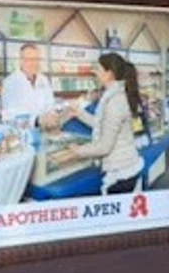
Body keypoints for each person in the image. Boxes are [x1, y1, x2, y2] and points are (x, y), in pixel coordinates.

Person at [57, 52, 146, 194]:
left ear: (109, 73)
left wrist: (77, 151)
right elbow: (104, 124)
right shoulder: (115, 95)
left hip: (120, 173)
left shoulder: (115, 101)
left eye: (98, 69)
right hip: (127, 167)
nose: (95, 73)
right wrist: (79, 113)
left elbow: (105, 147)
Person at [0, 44, 61, 130]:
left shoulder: (44, 80)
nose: (34, 63)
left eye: (37, 59)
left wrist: (54, 114)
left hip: (45, 131)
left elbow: (50, 104)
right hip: (22, 135)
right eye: (30, 59)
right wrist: (36, 120)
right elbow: (9, 116)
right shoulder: (10, 83)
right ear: (21, 61)